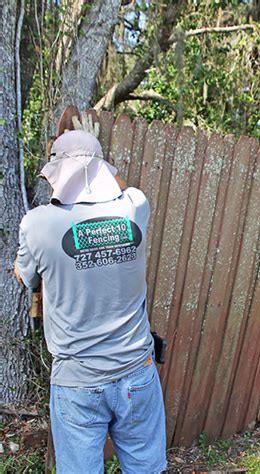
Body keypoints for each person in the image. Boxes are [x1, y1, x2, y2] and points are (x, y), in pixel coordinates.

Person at [14, 129, 166, 473]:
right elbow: (121, 187)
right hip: (136, 374)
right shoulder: (135, 207)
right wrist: (94, 161)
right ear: (101, 170)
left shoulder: (37, 224)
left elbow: (25, 276)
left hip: (78, 383)